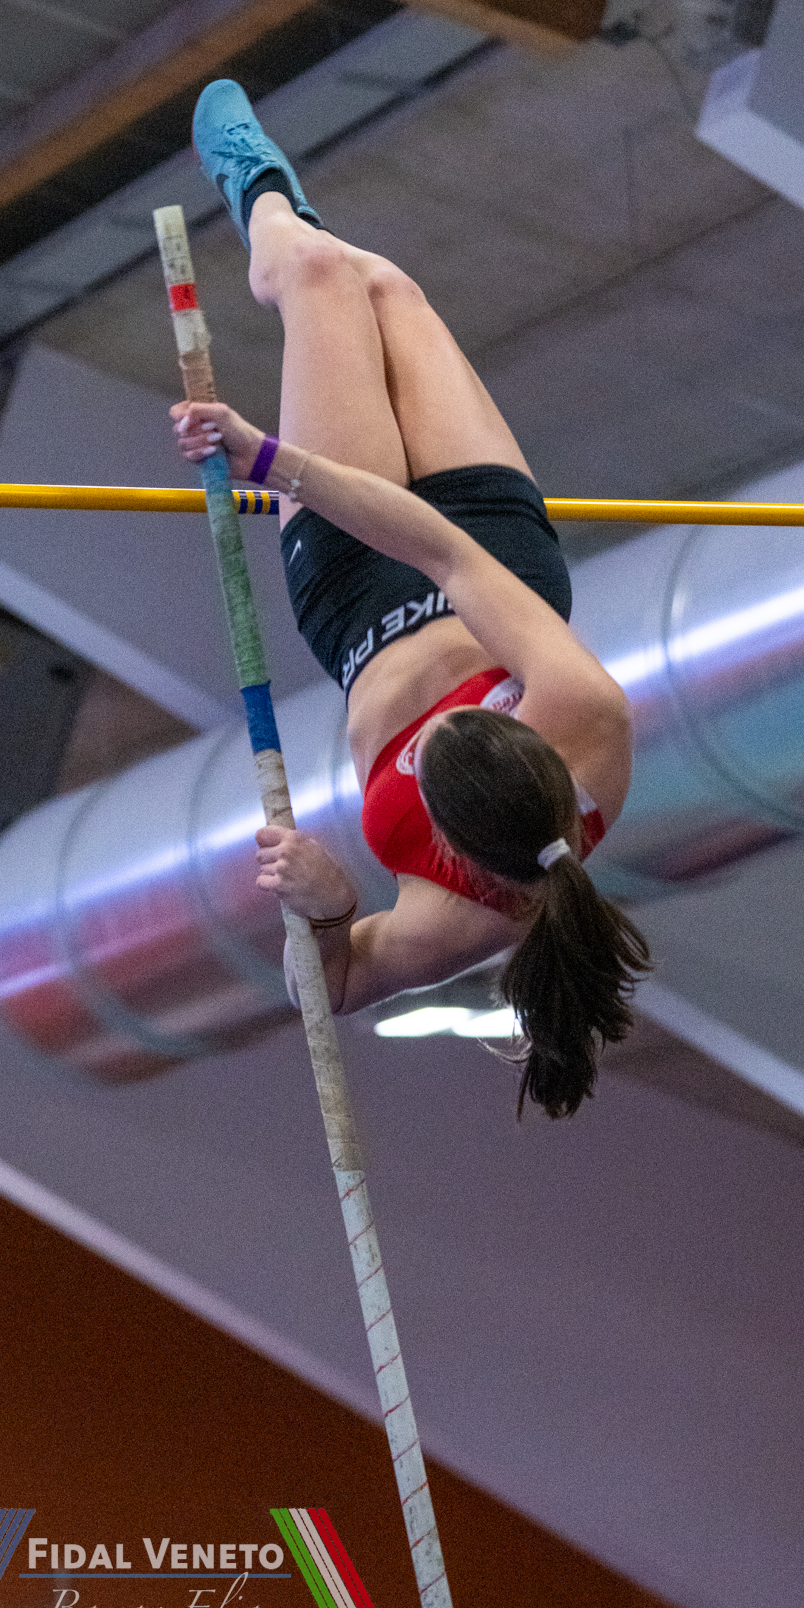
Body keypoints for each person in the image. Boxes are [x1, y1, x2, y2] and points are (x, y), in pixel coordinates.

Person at [170, 80, 649, 1119]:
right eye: (483, 713)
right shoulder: (586, 713)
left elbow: (330, 988)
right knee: (387, 288)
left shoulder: (453, 921)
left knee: (318, 275)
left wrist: (331, 909)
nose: (439, 722)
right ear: (528, 731)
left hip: (354, 590)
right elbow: (443, 551)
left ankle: (262, 198)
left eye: (423, 751)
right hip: (486, 558)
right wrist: (269, 460)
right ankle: (317, 261)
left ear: (448, 842)